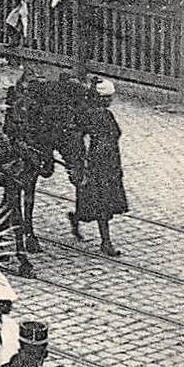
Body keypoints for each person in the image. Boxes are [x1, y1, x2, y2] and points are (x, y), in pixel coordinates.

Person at [69, 79, 127, 258]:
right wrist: (84, 165)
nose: (110, 100)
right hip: (96, 166)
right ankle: (106, 242)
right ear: (101, 98)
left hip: (109, 165)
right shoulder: (89, 115)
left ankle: (76, 218)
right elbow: (82, 140)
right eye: (108, 97)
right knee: (101, 204)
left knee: (98, 203)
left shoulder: (105, 114)